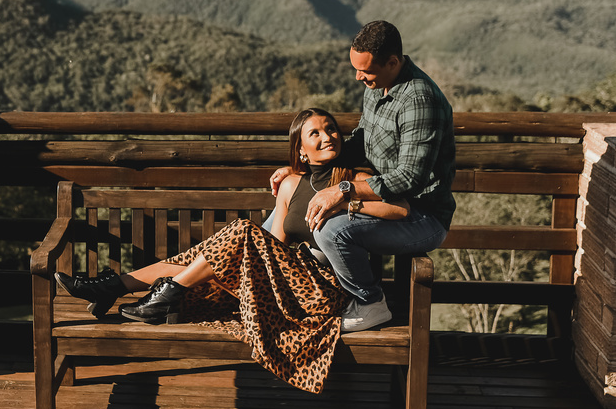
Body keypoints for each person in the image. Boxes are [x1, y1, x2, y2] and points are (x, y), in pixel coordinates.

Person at [54, 108, 410, 393]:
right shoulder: (290, 184)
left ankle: (140, 291)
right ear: (301, 148)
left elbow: (401, 210)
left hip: (323, 288)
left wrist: (347, 204)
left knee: (239, 232)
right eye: (314, 133)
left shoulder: (353, 180)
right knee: (219, 247)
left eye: (331, 129)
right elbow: (271, 242)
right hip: (287, 283)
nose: (327, 136)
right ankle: (119, 288)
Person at [272, 20, 456, 333]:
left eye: (365, 71)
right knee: (276, 217)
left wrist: (344, 190)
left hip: (420, 216)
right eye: (356, 68)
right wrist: (303, 167)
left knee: (332, 231)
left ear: (393, 62)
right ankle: (244, 292)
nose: (359, 77)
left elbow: (409, 178)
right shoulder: (377, 86)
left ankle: (370, 303)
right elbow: (361, 140)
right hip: (378, 204)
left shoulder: (419, 101)